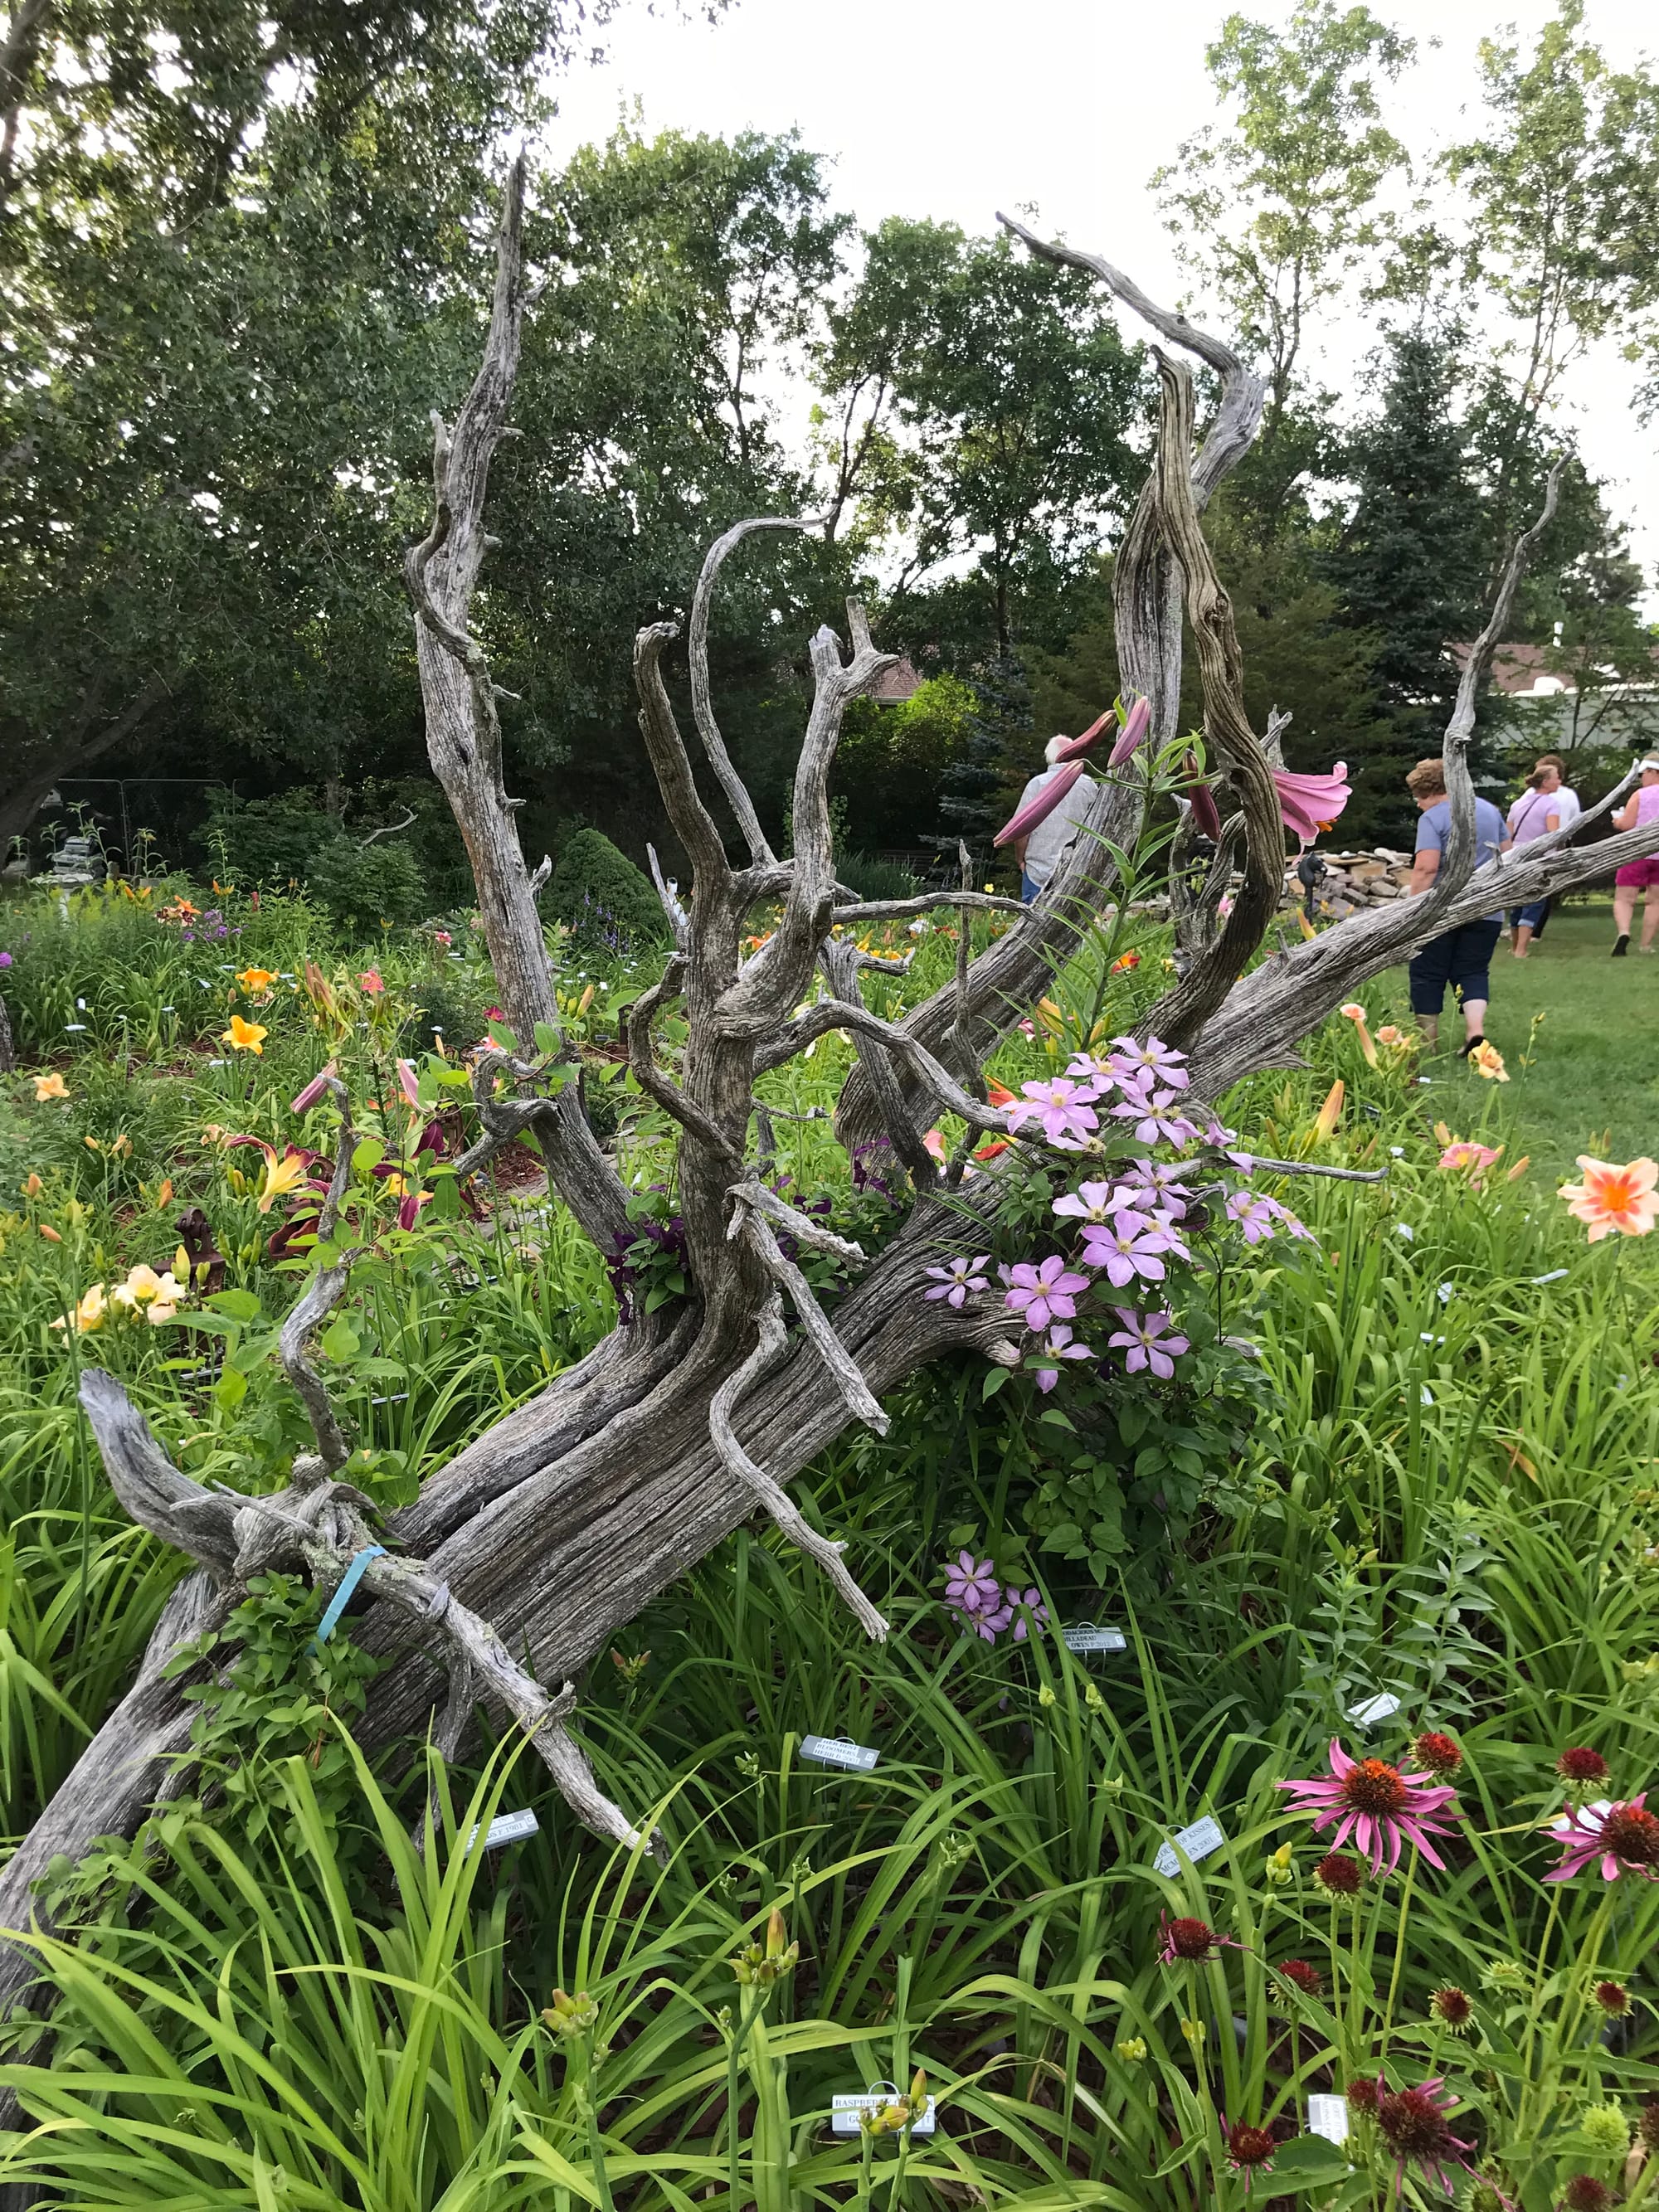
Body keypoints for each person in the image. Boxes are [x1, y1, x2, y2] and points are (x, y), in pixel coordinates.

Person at [1404, 757, 1511, 1054]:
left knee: (1427, 973)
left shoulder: (1433, 818)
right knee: (1474, 971)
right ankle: (1474, 1033)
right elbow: (1509, 855)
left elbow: (1426, 868)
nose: (1417, 804)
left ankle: (1428, 1046)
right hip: (1487, 907)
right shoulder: (1489, 810)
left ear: (1428, 792)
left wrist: (1413, 911)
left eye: (1418, 797)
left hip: (1442, 909)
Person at [1012, 737, 1100, 903]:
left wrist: (1020, 859)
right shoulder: (1089, 786)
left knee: (1031, 926)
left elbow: (1020, 830)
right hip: (1077, 871)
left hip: (1037, 871)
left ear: (1050, 757)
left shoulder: (1037, 784)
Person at [1513, 754, 1580, 948]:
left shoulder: (1525, 798)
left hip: (1524, 847)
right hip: (1551, 846)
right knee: (1542, 892)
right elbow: (1571, 822)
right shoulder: (1565, 797)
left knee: (1522, 893)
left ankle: (1519, 939)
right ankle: (1531, 935)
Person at [1504, 768, 1561, 958]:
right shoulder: (1551, 804)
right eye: (1556, 777)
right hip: (1539, 857)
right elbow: (1553, 834)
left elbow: (1507, 833)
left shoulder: (1518, 803)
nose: (1559, 781)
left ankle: (1514, 947)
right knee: (1535, 901)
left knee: (1518, 902)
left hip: (1517, 856)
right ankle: (1521, 950)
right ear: (1545, 782)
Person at [1609, 756, 1659, 956]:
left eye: (1643, 774)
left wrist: (1617, 821)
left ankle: (1624, 932)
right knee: (1655, 901)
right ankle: (1646, 945)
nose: (1641, 778)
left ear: (1653, 772)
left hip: (1636, 852)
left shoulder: (1640, 795)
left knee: (1624, 898)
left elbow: (1628, 824)